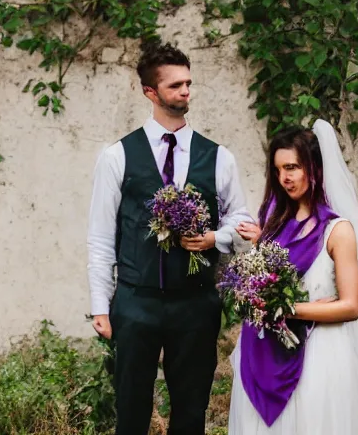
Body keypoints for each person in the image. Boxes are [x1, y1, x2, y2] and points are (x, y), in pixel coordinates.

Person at [86, 41, 253, 434]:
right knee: (130, 409)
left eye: (189, 84)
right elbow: (100, 235)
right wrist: (100, 306)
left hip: (195, 302)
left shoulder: (219, 157)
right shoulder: (117, 157)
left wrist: (215, 238)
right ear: (150, 92)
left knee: (191, 411)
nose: (185, 92)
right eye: (176, 85)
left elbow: (241, 220)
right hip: (135, 300)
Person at [227, 119, 358, 434]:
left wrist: (287, 309)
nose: (284, 178)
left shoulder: (338, 231)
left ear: (314, 169)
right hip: (267, 357)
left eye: (293, 167)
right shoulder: (274, 226)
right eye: (278, 169)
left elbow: (351, 306)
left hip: (319, 358)